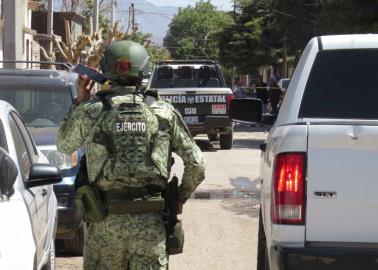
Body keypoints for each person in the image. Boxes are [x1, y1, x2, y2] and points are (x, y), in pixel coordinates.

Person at [56, 40, 205, 270]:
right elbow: (196, 164)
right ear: (144, 72)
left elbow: (64, 145)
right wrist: (180, 198)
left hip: (103, 225)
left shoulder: (91, 111)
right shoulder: (163, 112)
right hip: (150, 228)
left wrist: (79, 101)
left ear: (106, 73)